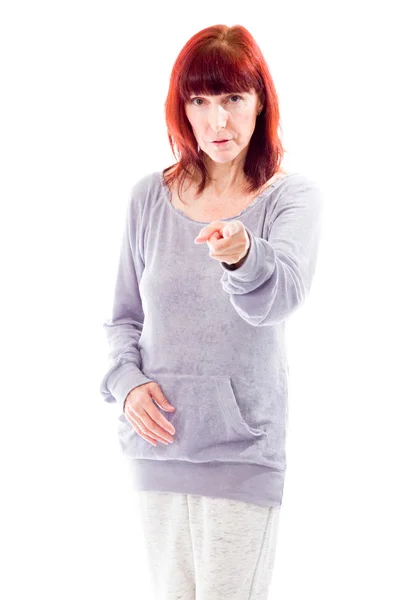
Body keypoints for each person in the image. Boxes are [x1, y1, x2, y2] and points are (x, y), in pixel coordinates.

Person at [100, 23, 324, 600]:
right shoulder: (148, 196)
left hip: (241, 453)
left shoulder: (289, 198)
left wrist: (243, 254)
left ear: (260, 103)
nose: (216, 121)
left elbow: (283, 296)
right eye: (199, 101)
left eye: (232, 99)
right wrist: (125, 383)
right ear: (182, 109)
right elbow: (123, 316)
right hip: (158, 447)